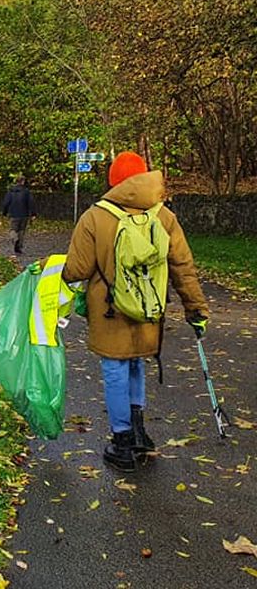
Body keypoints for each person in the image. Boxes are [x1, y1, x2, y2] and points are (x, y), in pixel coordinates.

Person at [62, 151, 209, 472]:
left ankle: (123, 440)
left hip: (110, 311)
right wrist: (196, 310)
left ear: (114, 181)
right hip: (149, 310)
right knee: (135, 364)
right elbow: (183, 267)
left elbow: (76, 269)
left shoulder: (95, 217)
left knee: (115, 369)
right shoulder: (164, 216)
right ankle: (140, 432)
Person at [2, 175, 35, 254]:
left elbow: (6, 202)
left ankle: (15, 238)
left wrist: (4, 212)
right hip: (24, 214)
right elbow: (31, 203)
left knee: (12, 229)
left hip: (13, 214)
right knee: (21, 231)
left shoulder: (11, 191)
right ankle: (18, 248)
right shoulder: (26, 191)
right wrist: (33, 214)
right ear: (23, 181)